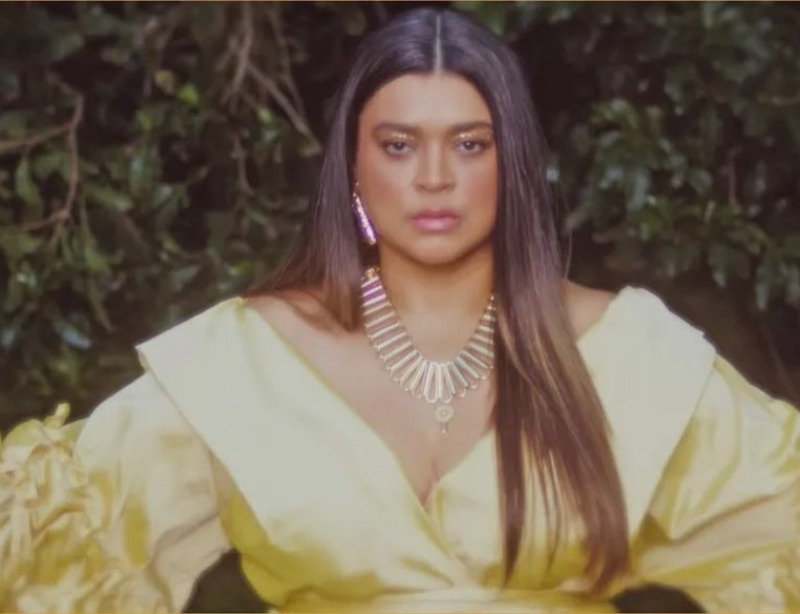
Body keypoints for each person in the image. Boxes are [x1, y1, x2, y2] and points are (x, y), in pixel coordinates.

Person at [1, 7, 798, 613]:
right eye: (399, 144)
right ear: (353, 164)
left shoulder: (630, 355)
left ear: (513, 163)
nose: (434, 177)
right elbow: (54, 555)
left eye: (469, 143)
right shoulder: (244, 362)